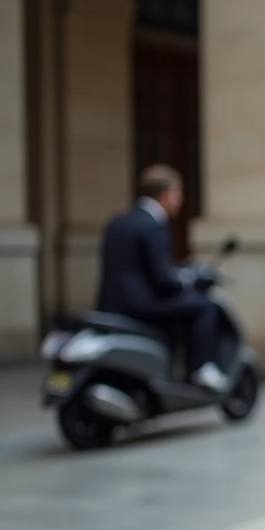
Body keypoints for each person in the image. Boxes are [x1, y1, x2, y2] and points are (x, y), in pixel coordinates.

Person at [96, 165, 229, 391]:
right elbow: (163, 280)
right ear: (166, 194)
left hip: (110, 304)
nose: (179, 200)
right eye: (178, 193)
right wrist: (192, 281)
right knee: (205, 307)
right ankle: (201, 370)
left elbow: (134, 268)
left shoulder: (118, 221)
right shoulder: (153, 225)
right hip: (141, 305)